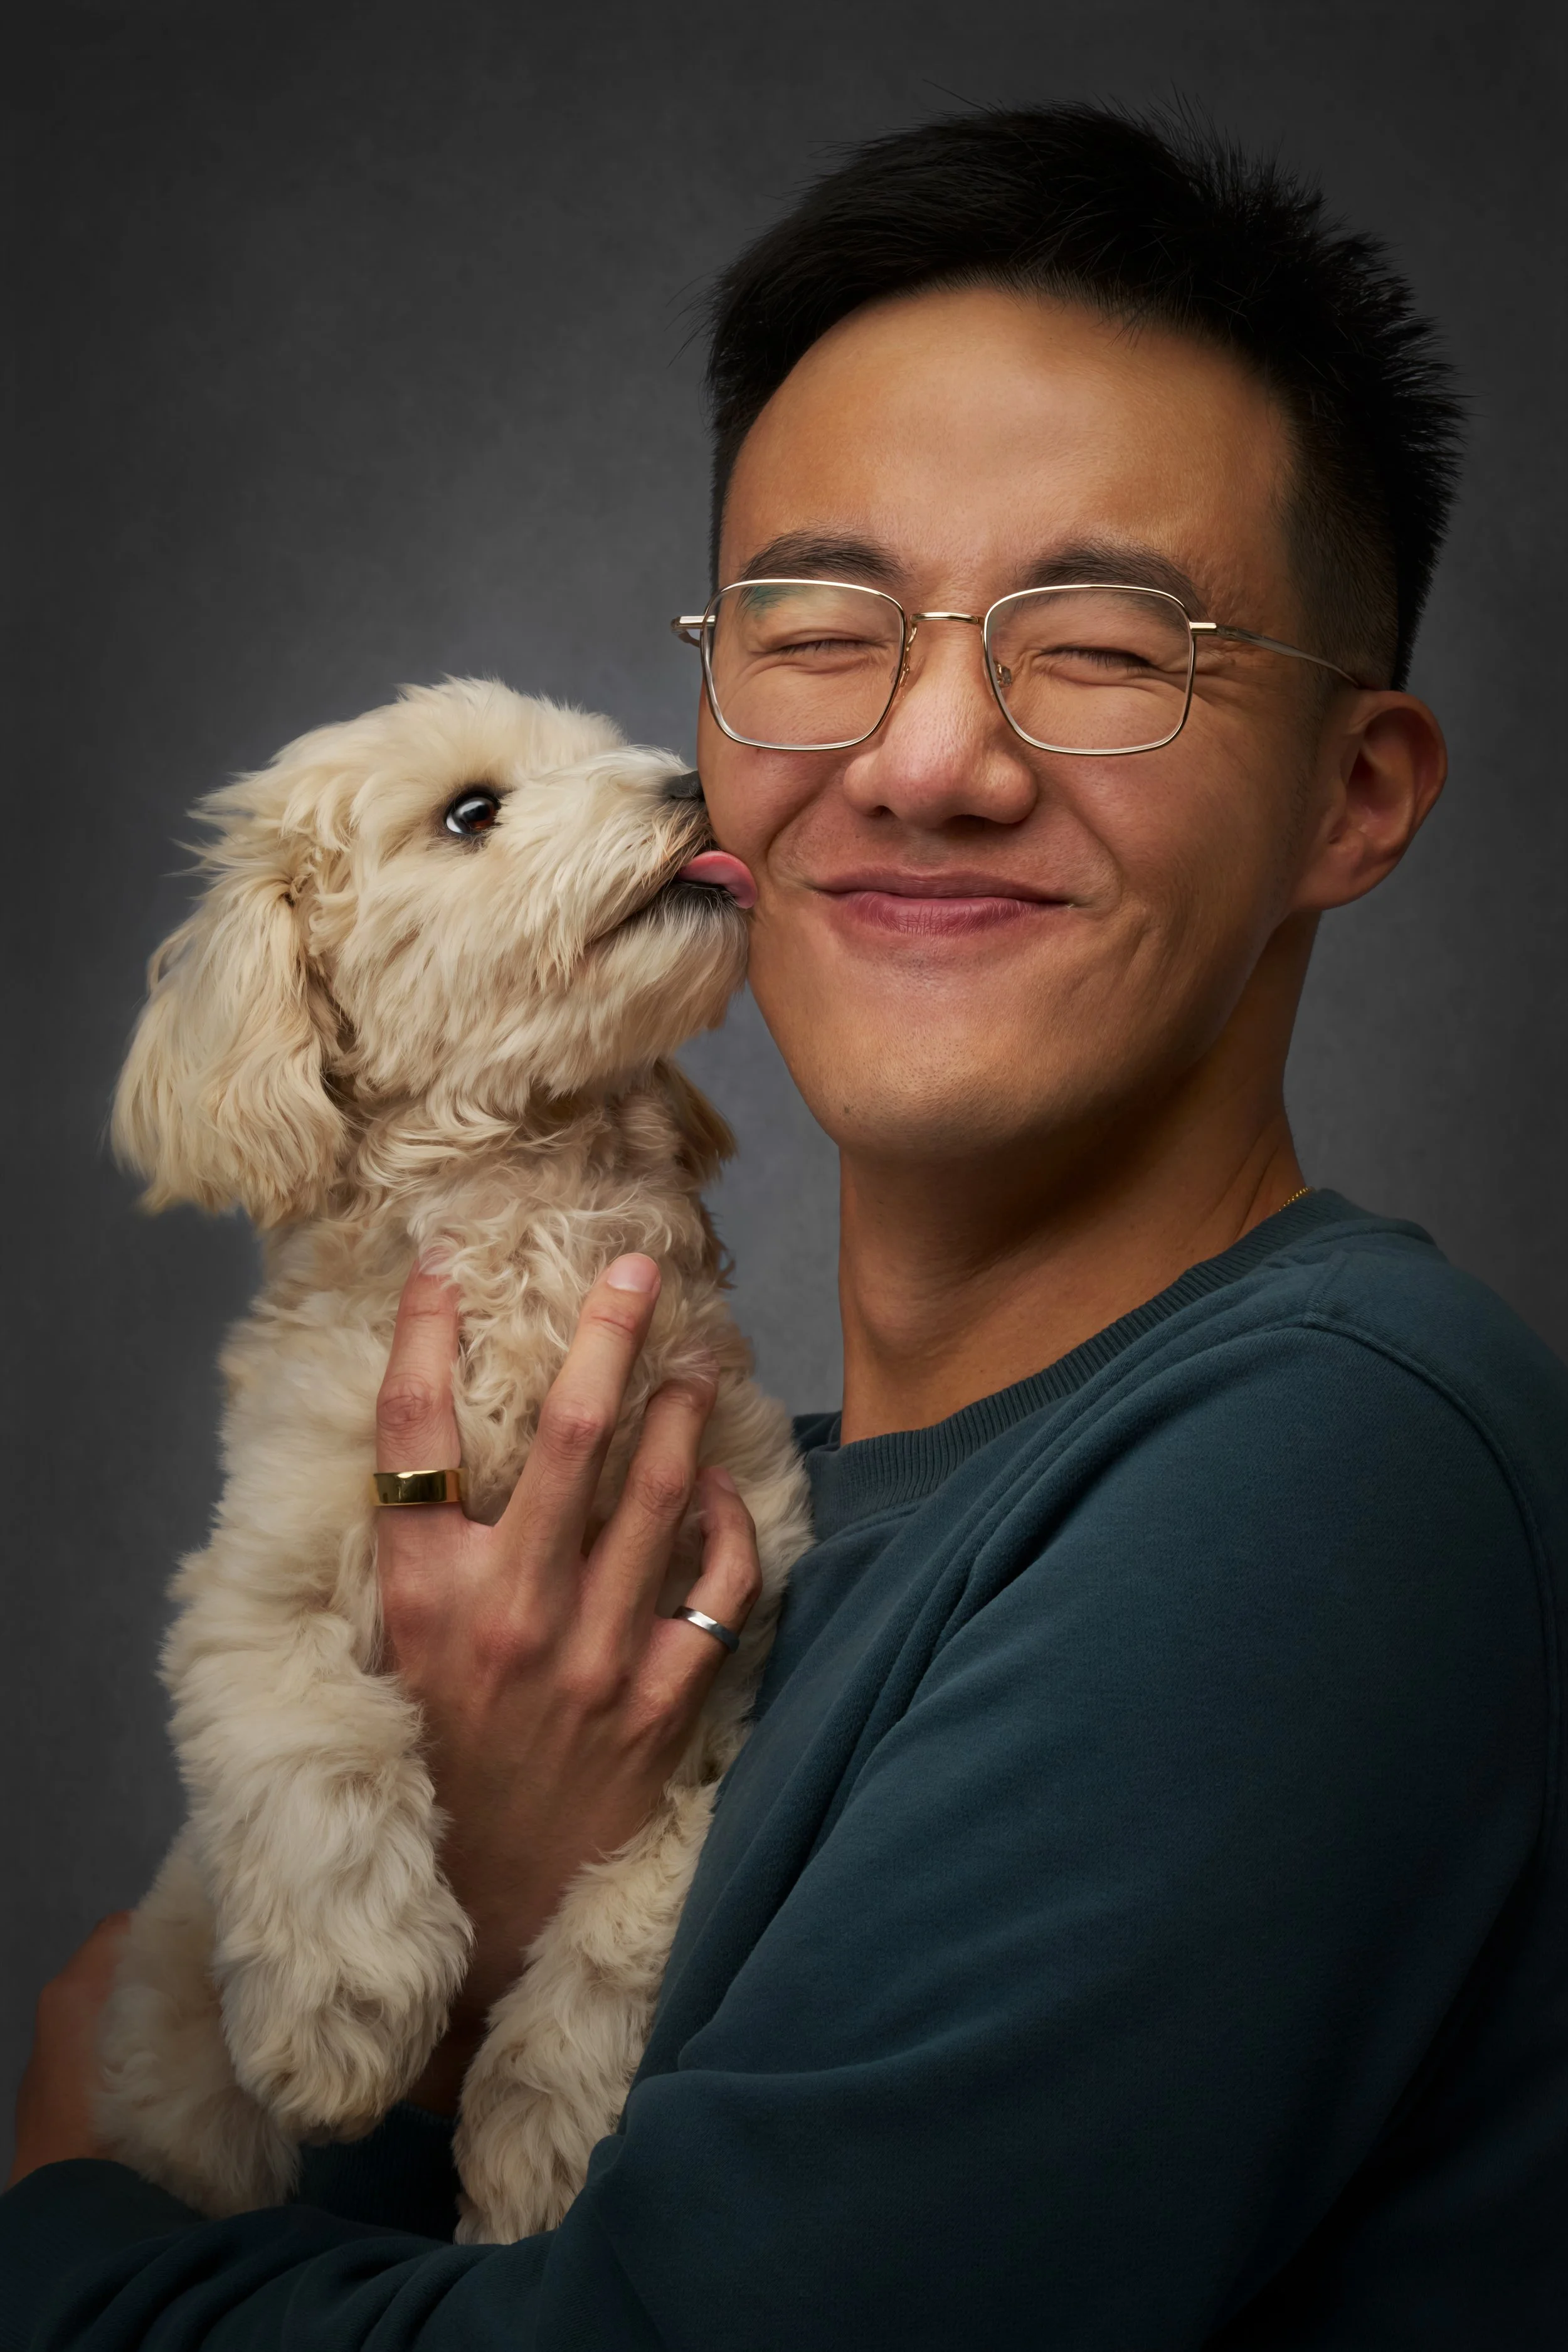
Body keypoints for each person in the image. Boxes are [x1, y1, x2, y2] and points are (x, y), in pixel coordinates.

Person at [4, 103, 1565, 2350]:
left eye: (1106, 645)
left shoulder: (1327, 1474)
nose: (926, 755)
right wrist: (490, 1888)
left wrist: (63, 2236)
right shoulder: (759, 1524)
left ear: (1353, 795)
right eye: (817, 626)